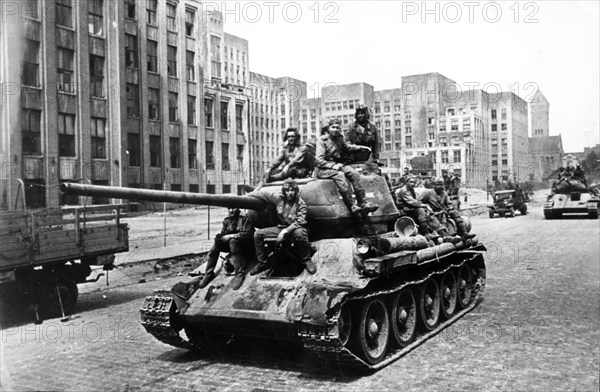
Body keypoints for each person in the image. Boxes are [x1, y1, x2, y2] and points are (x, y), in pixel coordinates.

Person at [249, 178, 317, 276]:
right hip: (281, 227)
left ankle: (307, 259)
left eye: (292, 190)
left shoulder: (300, 203)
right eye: (287, 190)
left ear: (296, 191)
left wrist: (285, 231)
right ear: (284, 191)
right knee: (257, 234)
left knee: (301, 234)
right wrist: (249, 194)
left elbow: (300, 221)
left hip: (296, 228)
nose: (290, 193)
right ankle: (262, 262)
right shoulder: (278, 199)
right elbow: (263, 194)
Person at [316, 119, 378, 216]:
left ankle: (363, 202)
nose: (335, 130)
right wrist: (332, 166)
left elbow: (348, 147)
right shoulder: (322, 140)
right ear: (328, 128)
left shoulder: (340, 138)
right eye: (333, 127)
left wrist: (361, 147)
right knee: (340, 175)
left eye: (337, 128)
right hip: (324, 169)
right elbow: (319, 160)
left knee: (354, 173)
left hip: (338, 165)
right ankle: (352, 205)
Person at [199, 207, 254, 290]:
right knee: (215, 246)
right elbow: (223, 233)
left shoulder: (245, 218)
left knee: (233, 241)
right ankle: (209, 274)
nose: (231, 210)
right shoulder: (227, 220)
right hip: (233, 245)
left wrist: (231, 236)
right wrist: (219, 238)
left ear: (238, 208)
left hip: (247, 245)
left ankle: (239, 274)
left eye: (233, 208)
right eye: (229, 208)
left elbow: (248, 235)